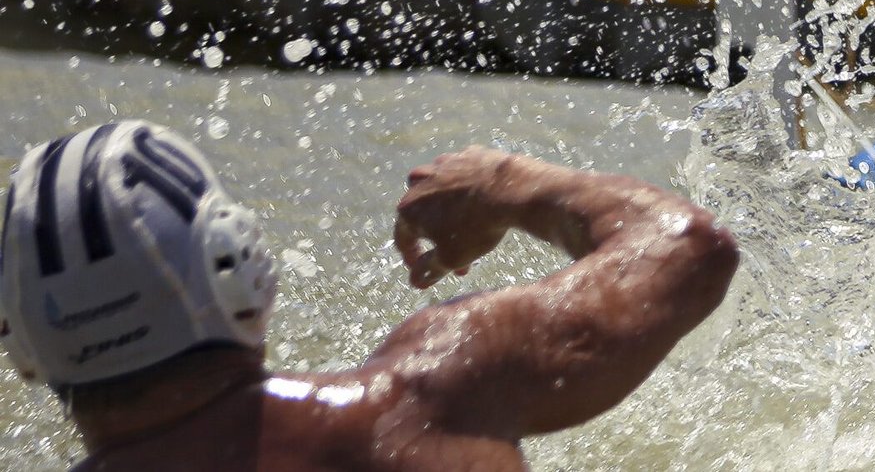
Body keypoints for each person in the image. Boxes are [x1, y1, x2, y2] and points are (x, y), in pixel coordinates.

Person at [0, 122, 738, 471]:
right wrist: (507, 185)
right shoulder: (425, 402)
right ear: (240, 264)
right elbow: (686, 249)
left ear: (23, 342)